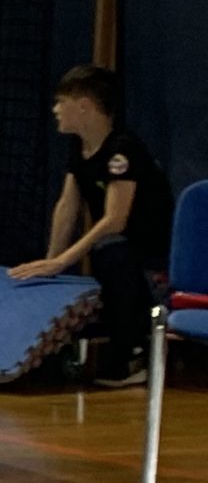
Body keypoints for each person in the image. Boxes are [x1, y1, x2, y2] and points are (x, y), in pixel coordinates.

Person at [11, 63, 171, 387]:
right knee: (104, 250)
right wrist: (50, 261)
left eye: (61, 102)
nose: (55, 110)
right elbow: (68, 205)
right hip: (115, 246)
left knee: (109, 250)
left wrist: (63, 261)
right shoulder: (79, 148)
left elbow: (115, 219)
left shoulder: (121, 151)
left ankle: (134, 353)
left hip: (147, 253)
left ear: (84, 106)